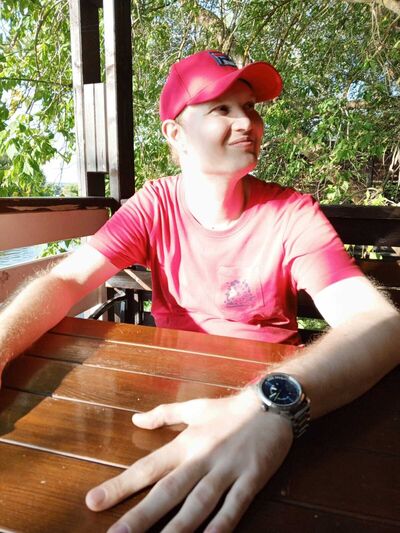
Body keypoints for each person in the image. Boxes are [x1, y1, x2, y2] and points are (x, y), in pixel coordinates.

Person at [0, 50, 399, 533]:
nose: (247, 122)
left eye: (249, 108)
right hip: (168, 406)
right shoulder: (153, 205)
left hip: (274, 417)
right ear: (175, 134)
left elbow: (381, 324)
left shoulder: (290, 214)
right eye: (221, 109)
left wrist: (270, 405)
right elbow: (65, 280)